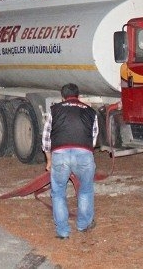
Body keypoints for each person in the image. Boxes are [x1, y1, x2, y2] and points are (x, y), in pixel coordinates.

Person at [42, 83, 98, 239]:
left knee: (58, 192)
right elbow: (93, 139)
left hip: (60, 154)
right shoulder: (90, 111)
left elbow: (46, 137)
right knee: (85, 189)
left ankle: (63, 231)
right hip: (84, 154)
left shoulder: (55, 110)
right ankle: (83, 225)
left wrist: (49, 160)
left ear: (62, 97)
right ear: (78, 95)